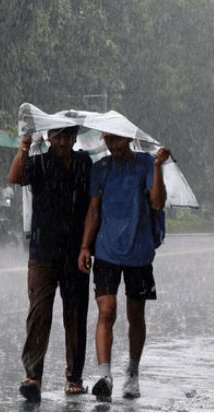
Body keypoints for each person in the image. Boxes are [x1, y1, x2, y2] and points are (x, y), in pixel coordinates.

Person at [77, 132, 169, 401]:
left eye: (117, 140)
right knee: (106, 310)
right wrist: (85, 246)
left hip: (139, 254)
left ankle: (132, 372)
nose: (113, 146)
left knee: (135, 314)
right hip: (106, 251)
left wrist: (157, 167)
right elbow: (94, 210)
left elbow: (158, 202)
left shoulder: (145, 163)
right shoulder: (101, 168)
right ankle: (104, 375)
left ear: (128, 138)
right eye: (108, 141)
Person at [7, 125, 92, 402]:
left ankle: (74, 378)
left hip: (75, 252)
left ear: (75, 138)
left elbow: (94, 202)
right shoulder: (39, 163)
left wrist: (86, 246)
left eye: (68, 137)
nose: (63, 142)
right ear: (49, 138)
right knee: (39, 313)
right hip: (42, 252)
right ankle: (33, 376)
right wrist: (24, 146)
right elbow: (15, 176)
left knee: (75, 315)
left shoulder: (84, 163)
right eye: (58, 137)